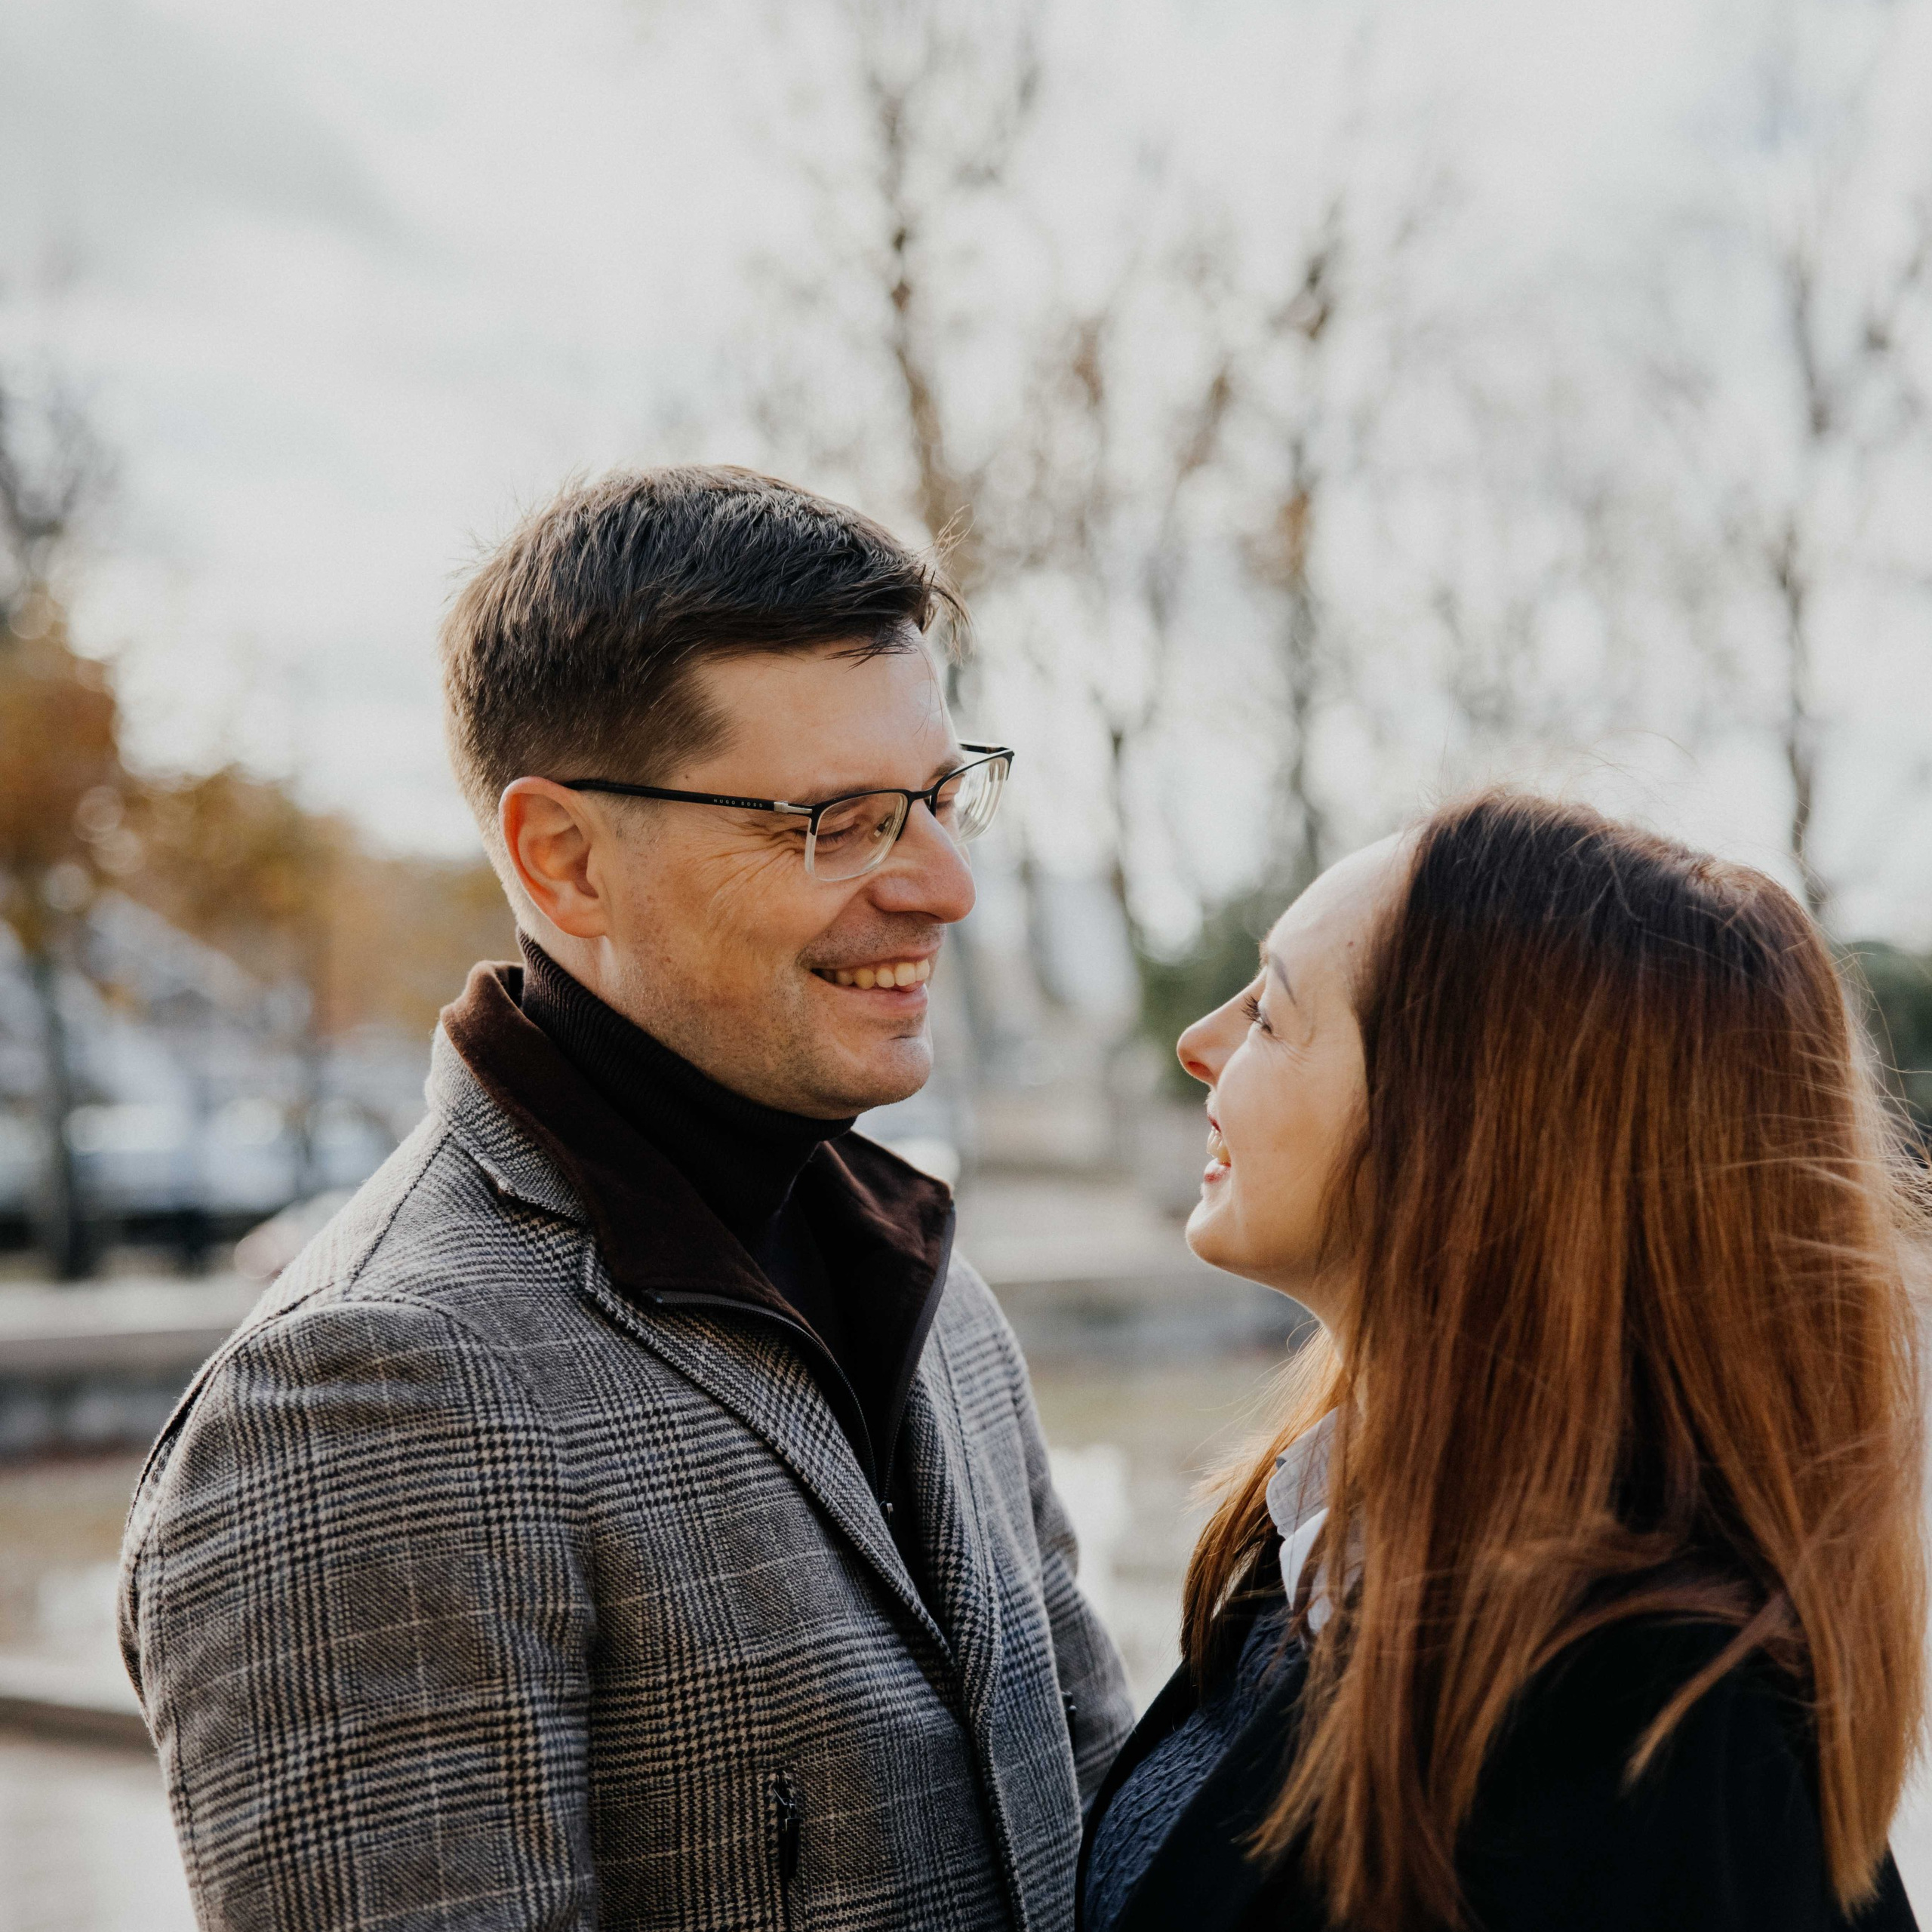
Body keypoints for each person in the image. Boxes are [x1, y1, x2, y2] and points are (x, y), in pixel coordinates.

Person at [118, 466, 1133, 1931]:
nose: (944, 885)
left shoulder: (929, 1286)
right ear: (566, 861)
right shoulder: (360, 1399)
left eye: (938, 798)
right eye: (839, 819)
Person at [1081, 791, 1925, 1932]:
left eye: (1271, 1016)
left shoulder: (1661, 1744)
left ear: (1462, 1130)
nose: (1199, 1044)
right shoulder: (1318, 1545)